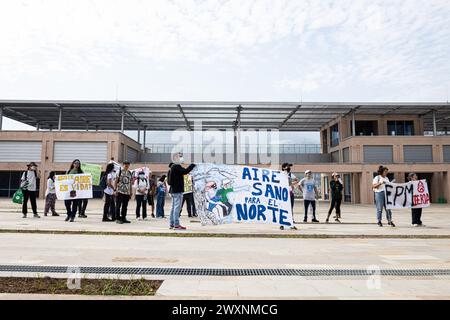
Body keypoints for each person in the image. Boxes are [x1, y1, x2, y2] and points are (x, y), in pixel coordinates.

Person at [167, 153, 196, 230]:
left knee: (173, 207)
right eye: (180, 157)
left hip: (173, 190)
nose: (182, 158)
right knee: (177, 208)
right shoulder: (176, 166)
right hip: (177, 190)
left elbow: (169, 181)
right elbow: (185, 171)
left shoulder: (172, 167)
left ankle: (172, 224)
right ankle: (176, 224)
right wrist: (192, 165)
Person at [280, 163, 298, 230]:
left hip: (290, 193)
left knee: (290, 209)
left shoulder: (290, 174)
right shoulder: (280, 174)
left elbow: (296, 180)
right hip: (283, 193)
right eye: (287, 166)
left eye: (289, 167)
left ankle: (291, 224)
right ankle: (281, 224)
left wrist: (291, 183)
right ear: (283, 167)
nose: (288, 168)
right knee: (283, 208)